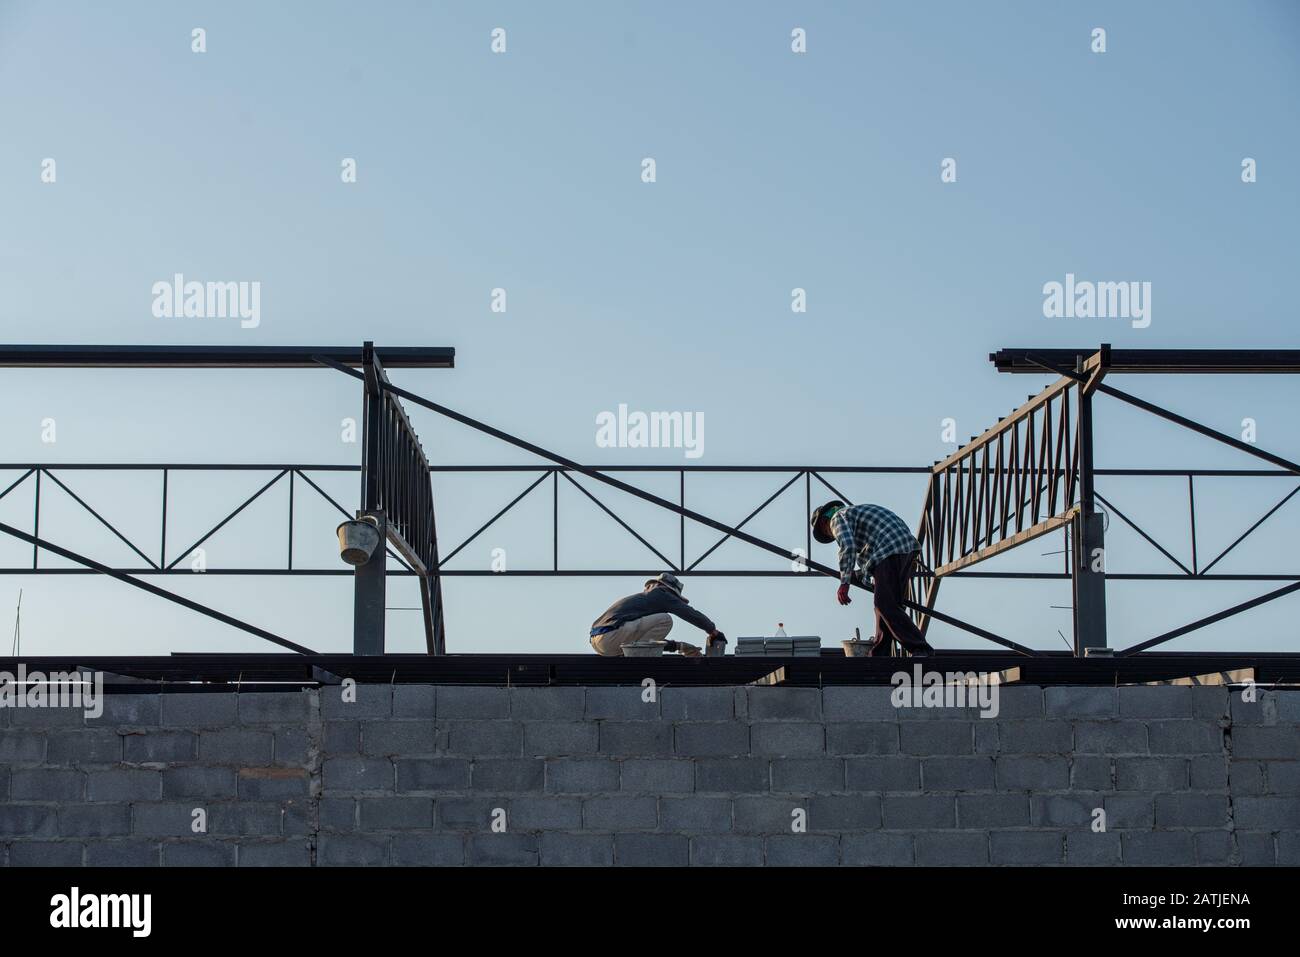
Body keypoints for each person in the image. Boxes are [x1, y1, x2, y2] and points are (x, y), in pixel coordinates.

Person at [810, 500, 934, 657]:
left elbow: (847, 546)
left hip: (890, 549)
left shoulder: (836, 518)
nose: (832, 535)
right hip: (904, 549)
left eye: (827, 533)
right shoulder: (856, 515)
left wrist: (844, 582)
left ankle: (921, 649)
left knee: (884, 604)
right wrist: (860, 574)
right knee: (885, 605)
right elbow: (869, 558)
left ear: (823, 522)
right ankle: (880, 653)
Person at [589, 573, 726, 657]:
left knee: (655, 624)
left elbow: (642, 637)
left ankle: (632, 653)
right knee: (666, 619)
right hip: (612, 635)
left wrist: (675, 646)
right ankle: (638, 654)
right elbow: (689, 613)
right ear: (669, 590)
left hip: (598, 643)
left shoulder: (641, 601)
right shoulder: (661, 594)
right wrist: (712, 630)